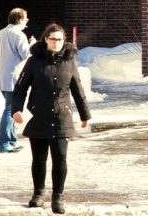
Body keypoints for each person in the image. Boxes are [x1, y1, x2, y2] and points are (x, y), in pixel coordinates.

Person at [12, 23, 91, 214]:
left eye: (60, 39)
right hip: (40, 116)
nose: (57, 43)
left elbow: (77, 89)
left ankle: (58, 196)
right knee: (39, 159)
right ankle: (38, 194)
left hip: (62, 116)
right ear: (46, 39)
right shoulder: (34, 62)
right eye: (53, 39)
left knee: (60, 158)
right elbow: (20, 88)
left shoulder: (69, 61)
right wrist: (17, 110)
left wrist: (84, 114)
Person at [0, 8, 33, 153]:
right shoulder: (19, 35)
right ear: (20, 20)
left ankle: (12, 140)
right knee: (11, 109)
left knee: (11, 107)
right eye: (26, 19)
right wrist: (32, 45)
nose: (27, 22)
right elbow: (26, 55)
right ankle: (3, 143)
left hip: (0, 77)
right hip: (14, 77)